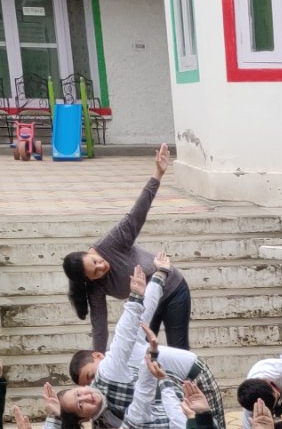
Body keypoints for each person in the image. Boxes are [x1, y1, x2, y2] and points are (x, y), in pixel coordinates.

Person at [62, 143, 188, 352]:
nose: (102, 267)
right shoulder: (95, 288)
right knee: (144, 354)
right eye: (95, 273)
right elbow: (99, 324)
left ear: (90, 253)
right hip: (147, 305)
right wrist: (98, 358)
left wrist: (157, 173)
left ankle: (186, 385)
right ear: (89, 281)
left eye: (96, 262)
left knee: (179, 349)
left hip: (173, 289)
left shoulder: (111, 243)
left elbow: (137, 213)